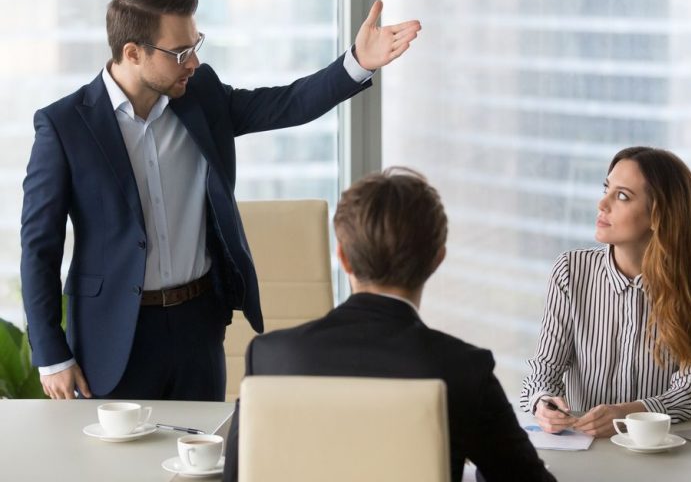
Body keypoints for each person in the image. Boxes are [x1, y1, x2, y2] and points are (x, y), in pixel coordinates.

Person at [20, 0, 421, 401]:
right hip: (113, 334)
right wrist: (51, 355)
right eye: (180, 52)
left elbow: (288, 103)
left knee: (203, 459)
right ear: (132, 53)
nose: (192, 62)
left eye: (196, 45)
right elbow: (39, 247)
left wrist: (359, 61)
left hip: (198, 323)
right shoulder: (64, 126)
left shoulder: (200, 96)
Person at [222, 167, 555, 482]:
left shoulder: (269, 356)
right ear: (437, 259)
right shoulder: (464, 369)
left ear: (343, 257)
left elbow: (237, 475)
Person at [520, 146, 691, 438]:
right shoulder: (570, 271)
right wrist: (543, 403)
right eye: (606, 189)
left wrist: (629, 414)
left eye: (622, 196)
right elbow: (544, 369)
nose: (602, 204)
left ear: (658, 215)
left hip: (665, 453)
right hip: (588, 451)